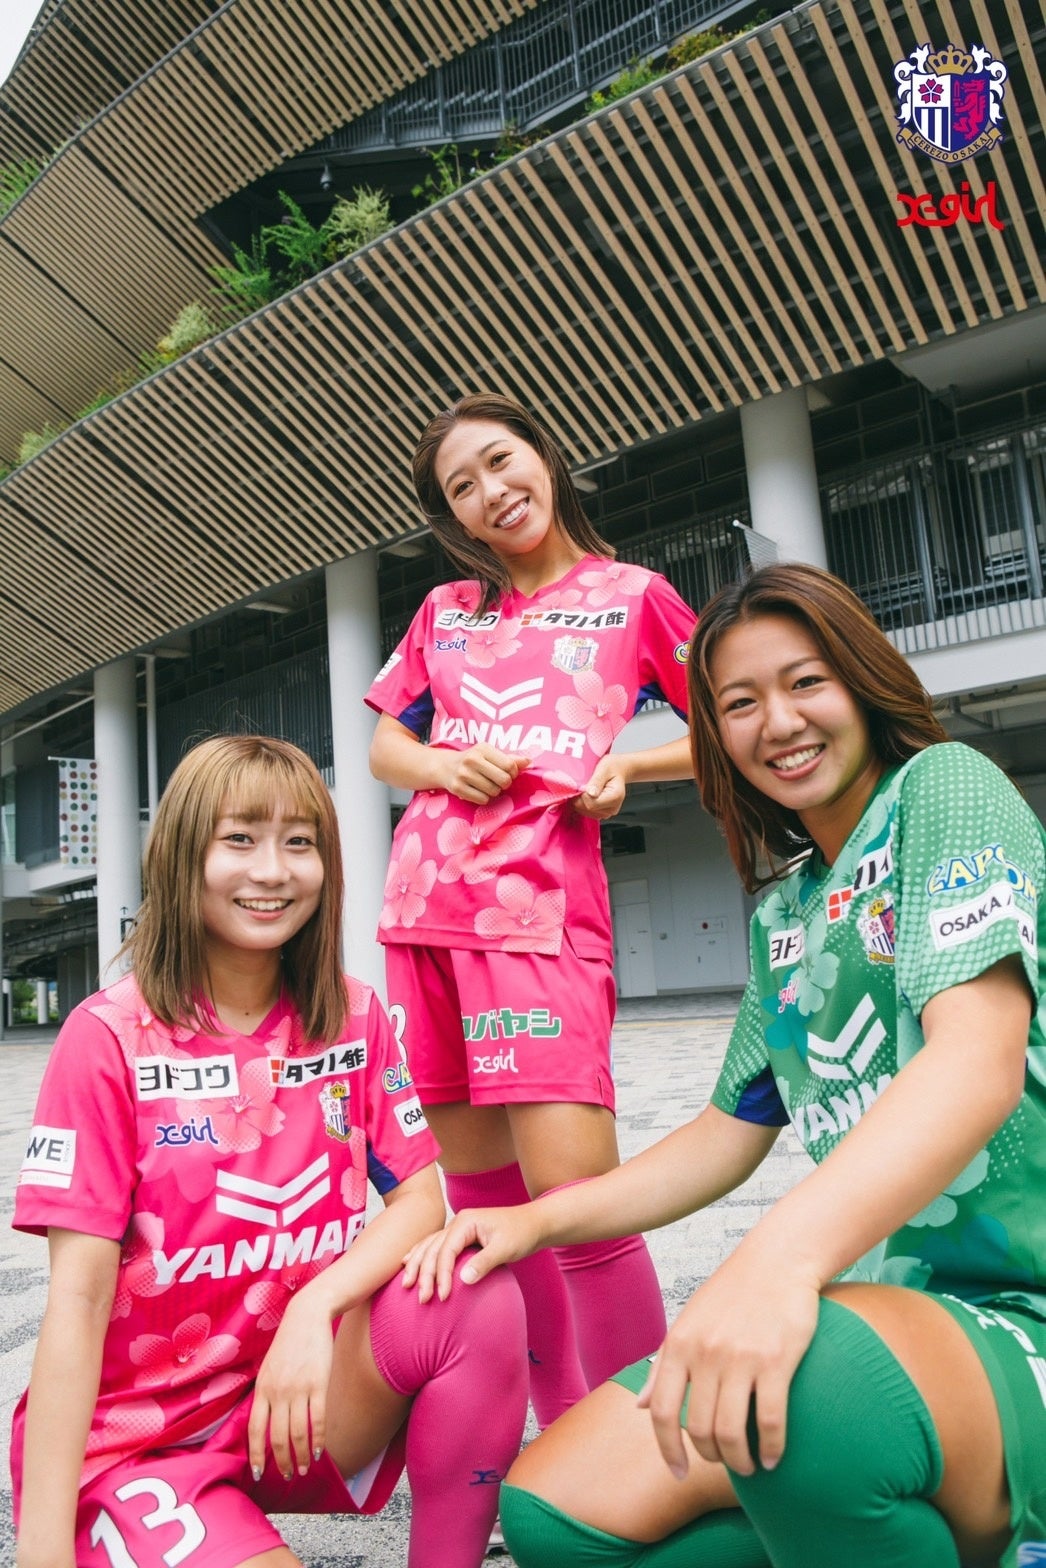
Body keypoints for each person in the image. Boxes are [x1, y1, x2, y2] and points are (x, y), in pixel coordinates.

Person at [403, 563, 1046, 1568]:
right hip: (908, 1326)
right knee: (556, 1512)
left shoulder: (946, 788)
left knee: (798, 1392)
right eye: (739, 704)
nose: (777, 722)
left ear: (863, 683)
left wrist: (772, 1264)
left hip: (1021, 1312)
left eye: (805, 682)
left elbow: (976, 1062)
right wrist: (533, 1219)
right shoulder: (786, 909)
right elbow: (721, 1135)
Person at [12, 734, 528, 1568]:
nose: (273, 871)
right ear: (183, 855)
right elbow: (77, 1299)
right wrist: (43, 1551)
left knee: (475, 1290)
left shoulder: (354, 1016)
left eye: (299, 842)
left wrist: (313, 1308)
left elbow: (421, 1202)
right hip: (141, 1445)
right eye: (240, 839)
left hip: (295, 1402)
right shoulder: (106, 1037)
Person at [366, 393, 697, 1426]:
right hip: (421, 913)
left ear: (544, 456)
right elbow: (383, 745)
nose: (491, 493)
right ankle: (560, 1433)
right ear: (453, 518)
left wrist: (627, 767)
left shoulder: (634, 595)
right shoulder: (444, 611)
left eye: (500, 461)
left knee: (579, 1208)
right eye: (461, 488)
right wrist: (440, 763)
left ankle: (644, 1451)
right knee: (487, 1208)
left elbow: (727, 719)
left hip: (536, 916)